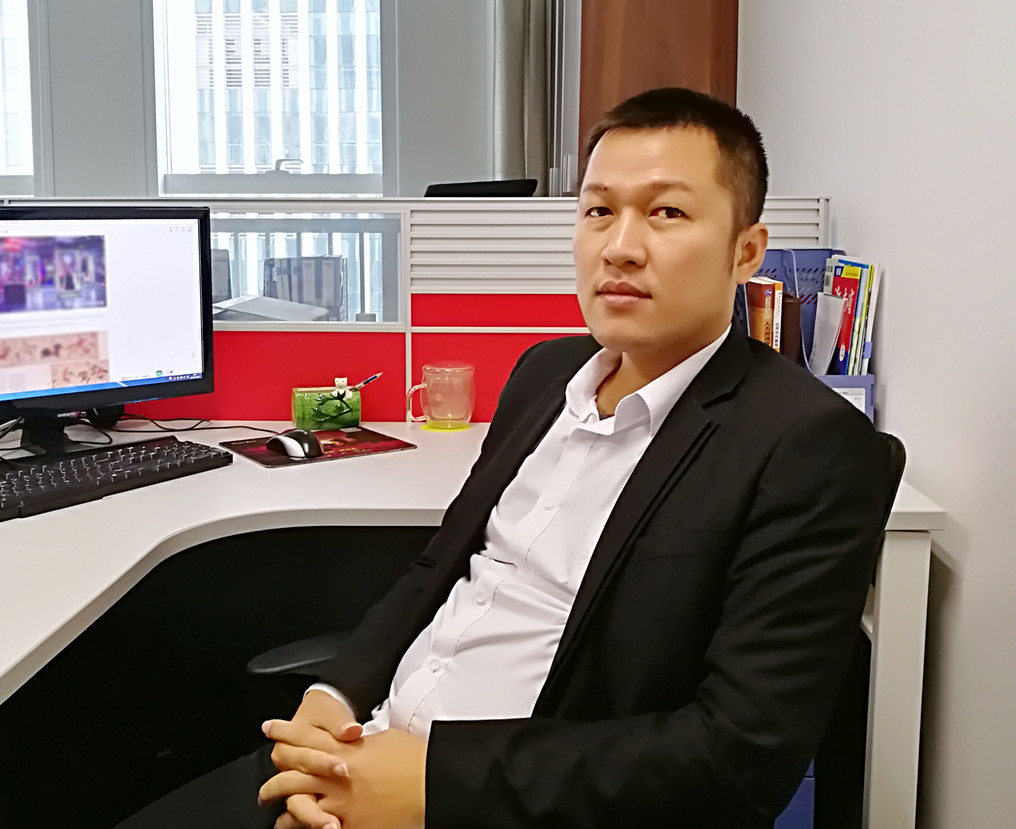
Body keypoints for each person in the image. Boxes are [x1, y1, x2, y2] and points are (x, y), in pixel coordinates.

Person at [120, 87, 889, 829]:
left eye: (667, 212)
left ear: (746, 251)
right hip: (359, 751)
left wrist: (427, 786)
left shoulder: (809, 445)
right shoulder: (544, 374)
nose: (620, 246)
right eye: (598, 210)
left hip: (498, 800)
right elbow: (440, 567)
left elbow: (738, 758)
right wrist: (335, 697)